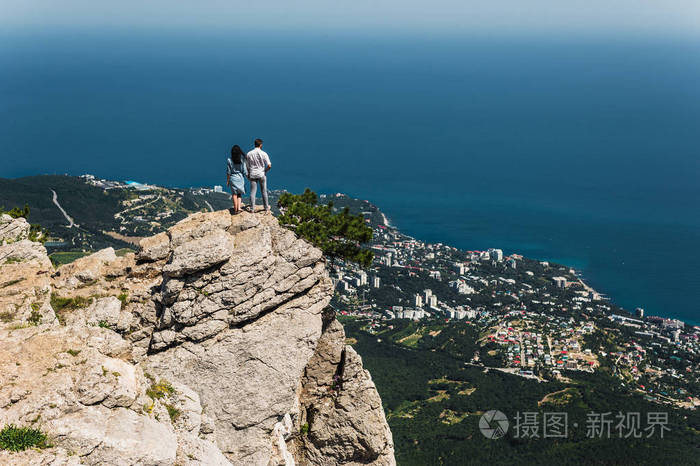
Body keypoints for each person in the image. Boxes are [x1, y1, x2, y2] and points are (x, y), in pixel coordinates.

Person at [246, 138, 272, 213]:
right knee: (264, 191)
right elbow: (269, 165)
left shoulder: (249, 153)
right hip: (261, 174)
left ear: (254, 144)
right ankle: (266, 207)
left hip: (253, 174)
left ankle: (252, 209)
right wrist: (265, 171)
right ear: (261, 145)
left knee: (252, 192)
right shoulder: (264, 153)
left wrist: (248, 174)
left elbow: (247, 166)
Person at [226, 145, 247, 214]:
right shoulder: (242, 160)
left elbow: (228, 172)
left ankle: (235, 209)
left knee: (234, 194)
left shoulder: (229, 160)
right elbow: (244, 170)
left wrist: (228, 181)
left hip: (233, 179)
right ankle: (239, 208)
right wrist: (248, 176)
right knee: (239, 194)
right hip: (240, 178)